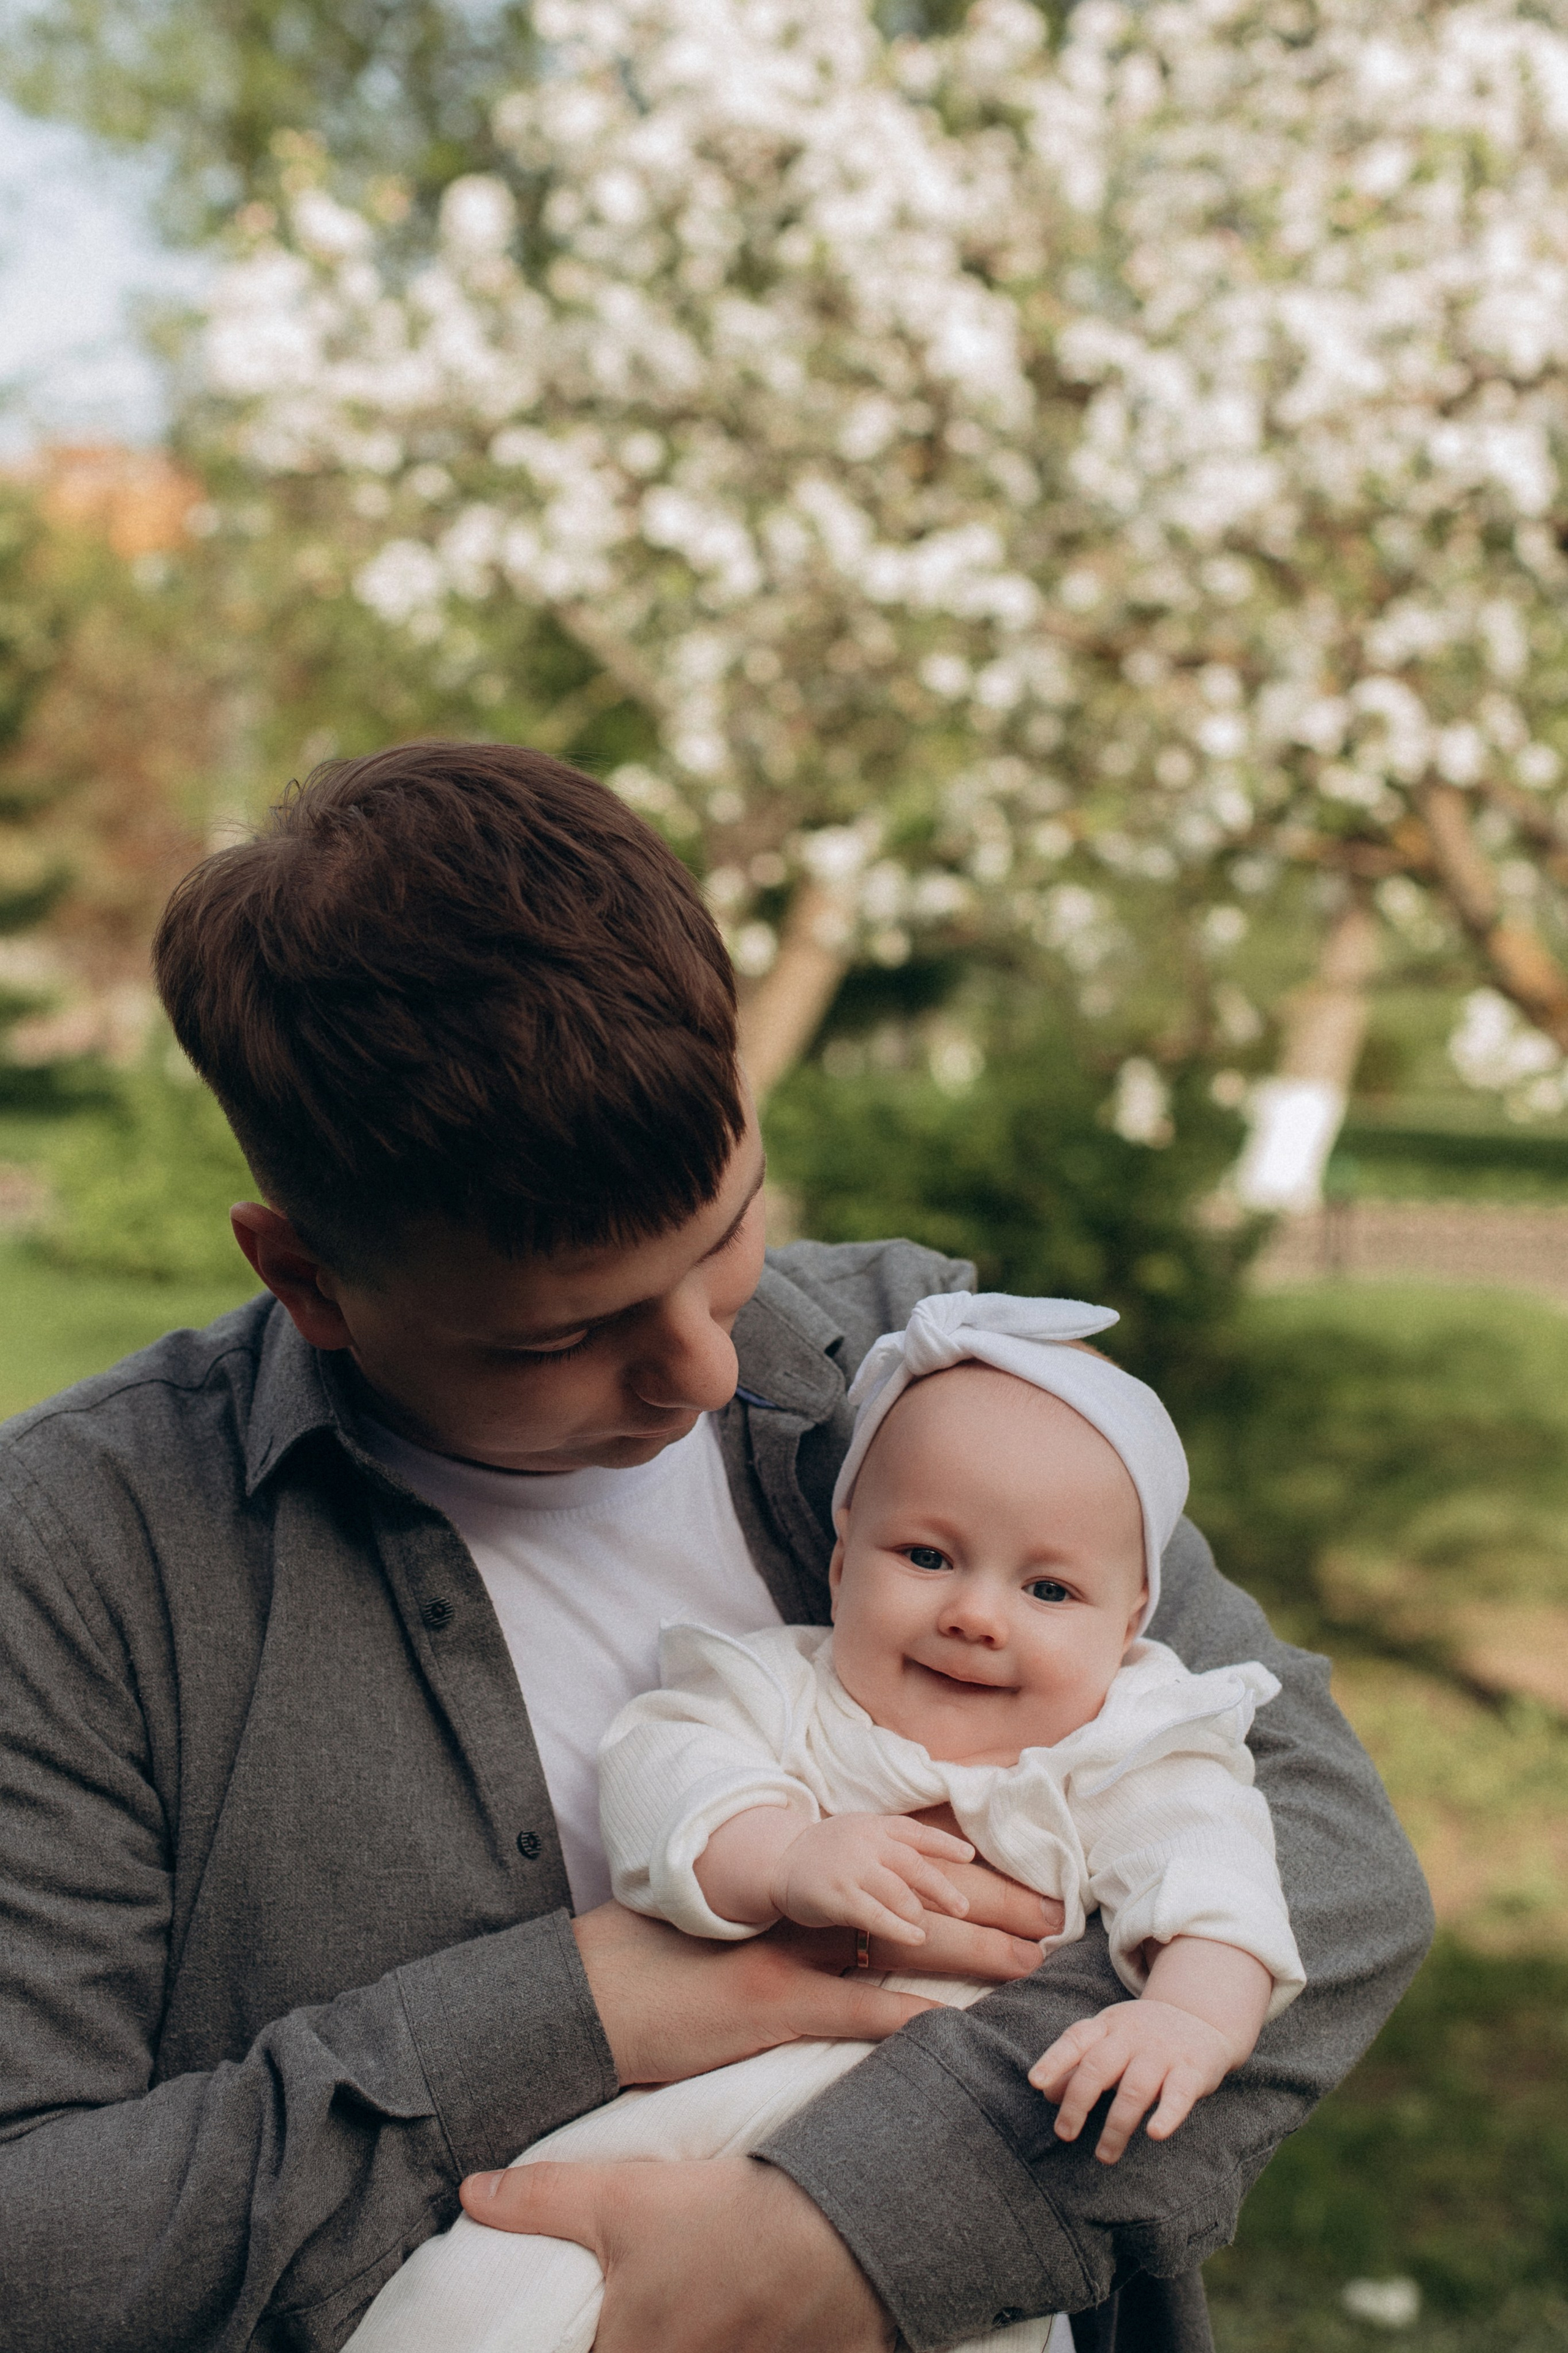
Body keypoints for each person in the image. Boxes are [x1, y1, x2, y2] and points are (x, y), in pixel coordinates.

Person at [0, 742, 1433, 2353]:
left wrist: (843, 2235)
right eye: (568, 1335)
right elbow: (35, 2235)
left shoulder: (927, 1361)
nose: (701, 1371)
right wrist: (581, 2005)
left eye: (730, 1234)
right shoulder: (81, 1561)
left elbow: (1326, 1856)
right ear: (309, 1279)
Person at [342, 1291, 1306, 2353]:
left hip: (939, 2149)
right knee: (492, 2279)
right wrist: (780, 1851)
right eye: (928, 1557)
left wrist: (1187, 2018)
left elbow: (1216, 1884)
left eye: (1047, 1587)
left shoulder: (1126, 1747)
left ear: (1129, 1626)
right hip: (691, 2108)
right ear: (844, 1559)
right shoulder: (780, 1687)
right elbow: (666, 1770)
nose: (975, 1615)